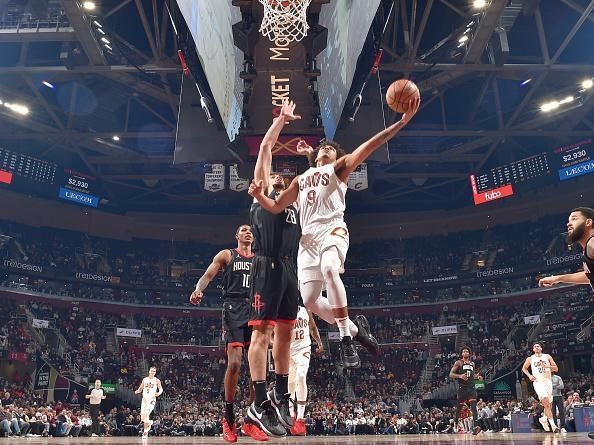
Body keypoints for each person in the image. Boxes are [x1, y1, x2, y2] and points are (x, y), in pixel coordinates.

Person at [249, 97, 420, 368]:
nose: (327, 149)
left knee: (330, 269)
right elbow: (275, 205)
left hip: (333, 229)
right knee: (309, 301)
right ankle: (355, 329)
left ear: (337, 158)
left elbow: (370, 145)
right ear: (315, 157)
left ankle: (345, 340)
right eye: (323, 148)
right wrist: (259, 196)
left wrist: (400, 122)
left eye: (331, 148)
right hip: (306, 242)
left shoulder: (338, 169)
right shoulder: (299, 180)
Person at [245, 100, 302, 438]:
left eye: (282, 177)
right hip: (265, 265)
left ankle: (280, 393)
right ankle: (257, 399)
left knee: (285, 335)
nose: (278, 178)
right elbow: (266, 147)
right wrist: (280, 120)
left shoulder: (293, 203)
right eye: (275, 176)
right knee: (261, 333)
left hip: (289, 269)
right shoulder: (262, 192)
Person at [189, 225, 267, 442]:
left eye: (250, 230)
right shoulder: (227, 254)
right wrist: (198, 290)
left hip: (256, 308)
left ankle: (252, 421)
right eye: (243, 230)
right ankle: (229, 417)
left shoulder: (260, 259)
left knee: (257, 369)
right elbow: (208, 274)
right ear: (237, 236)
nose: (248, 232)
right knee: (234, 364)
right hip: (233, 308)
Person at [537, 206, 593, 439]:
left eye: (574, 219)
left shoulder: (592, 243)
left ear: (589, 222)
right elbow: (587, 276)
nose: (568, 223)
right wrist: (558, 278)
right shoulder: (587, 251)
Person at [288, 305, 322, 436]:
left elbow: (312, 327)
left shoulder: (305, 310)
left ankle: (300, 419)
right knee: (290, 385)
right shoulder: (281, 309)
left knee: (301, 376)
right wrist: (279, 345)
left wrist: (318, 341)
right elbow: (272, 335)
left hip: (303, 349)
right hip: (288, 351)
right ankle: (291, 416)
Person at [522, 342, 559, 432]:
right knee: (546, 403)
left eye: (538, 346)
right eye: (535, 346)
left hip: (548, 382)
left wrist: (548, 366)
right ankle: (554, 427)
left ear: (541, 348)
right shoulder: (530, 359)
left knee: (548, 405)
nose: (537, 347)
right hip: (538, 382)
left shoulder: (547, 356)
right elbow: (524, 368)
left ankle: (543, 419)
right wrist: (529, 376)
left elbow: (556, 368)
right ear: (533, 349)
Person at [449, 346, 481, 435]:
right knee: (459, 408)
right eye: (464, 352)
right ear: (461, 354)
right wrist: (460, 376)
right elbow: (451, 374)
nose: (466, 353)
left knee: (474, 407)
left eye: (467, 351)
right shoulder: (458, 362)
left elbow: (473, 375)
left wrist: (477, 377)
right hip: (462, 388)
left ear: (469, 353)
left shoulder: (472, 364)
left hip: (471, 388)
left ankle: (475, 427)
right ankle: (455, 422)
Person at [134, 366, 163, 437]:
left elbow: (161, 389)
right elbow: (140, 388)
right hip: (144, 400)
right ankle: (149, 422)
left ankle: (145, 432)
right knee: (142, 417)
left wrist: (158, 393)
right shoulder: (145, 379)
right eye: (151, 371)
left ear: (155, 372)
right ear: (149, 371)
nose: (152, 372)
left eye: (154, 371)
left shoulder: (157, 380)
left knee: (147, 414)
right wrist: (137, 391)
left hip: (152, 399)